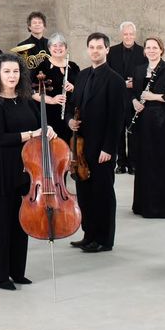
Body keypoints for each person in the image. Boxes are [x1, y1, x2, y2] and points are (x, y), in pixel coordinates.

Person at [0, 53, 50, 290]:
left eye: (15, 71)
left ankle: (17, 271)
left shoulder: (25, 99)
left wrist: (47, 128)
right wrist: (32, 134)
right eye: (7, 71)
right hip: (0, 167)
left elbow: (37, 125)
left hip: (25, 167)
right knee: (0, 223)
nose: (12, 76)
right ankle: (0, 275)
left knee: (21, 221)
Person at [67, 33, 125, 252]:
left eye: (99, 47)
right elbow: (73, 107)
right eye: (91, 47)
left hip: (102, 147)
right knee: (84, 192)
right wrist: (70, 121)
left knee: (103, 193)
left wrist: (109, 148)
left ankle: (104, 239)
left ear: (107, 50)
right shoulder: (81, 76)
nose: (95, 51)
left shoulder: (115, 80)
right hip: (81, 146)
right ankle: (89, 234)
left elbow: (117, 118)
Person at [128, 37, 165, 218]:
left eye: (155, 47)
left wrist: (154, 96)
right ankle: (144, 205)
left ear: (161, 50)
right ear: (144, 51)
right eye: (148, 47)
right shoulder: (139, 70)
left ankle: (163, 206)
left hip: (162, 121)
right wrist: (135, 101)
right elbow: (134, 92)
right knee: (145, 161)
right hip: (143, 121)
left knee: (161, 161)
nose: (151, 50)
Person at [106, 21, 144, 174]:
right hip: (117, 96)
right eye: (125, 34)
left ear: (135, 35)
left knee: (134, 132)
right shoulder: (112, 51)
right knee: (118, 131)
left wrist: (135, 82)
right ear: (121, 35)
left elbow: (147, 73)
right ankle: (120, 163)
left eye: (131, 34)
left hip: (136, 97)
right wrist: (122, 82)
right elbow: (107, 73)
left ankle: (134, 163)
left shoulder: (143, 51)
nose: (128, 37)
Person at [31, 33, 79, 142]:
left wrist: (73, 88)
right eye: (54, 45)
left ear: (66, 48)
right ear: (49, 48)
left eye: (61, 45)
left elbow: (83, 90)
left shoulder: (74, 67)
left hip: (71, 115)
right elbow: (32, 93)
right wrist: (52, 100)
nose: (58, 48)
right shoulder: (42, 67)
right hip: (50, 115)